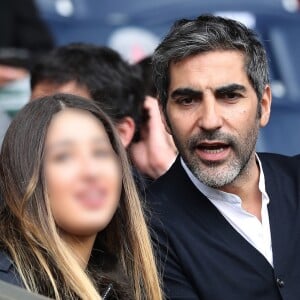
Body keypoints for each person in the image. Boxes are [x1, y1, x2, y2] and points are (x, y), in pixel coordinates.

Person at [147, 14, 300, 300]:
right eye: (187, 100)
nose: (209, 120)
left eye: (229, 96)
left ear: (263, 106)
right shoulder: (145, 226)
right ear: (164, 115)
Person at [0, 93, 163, 300]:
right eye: (64, 156)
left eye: (100, 152)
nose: (91, 171)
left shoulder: (121, 280)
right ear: (23, 176)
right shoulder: (9, 288)